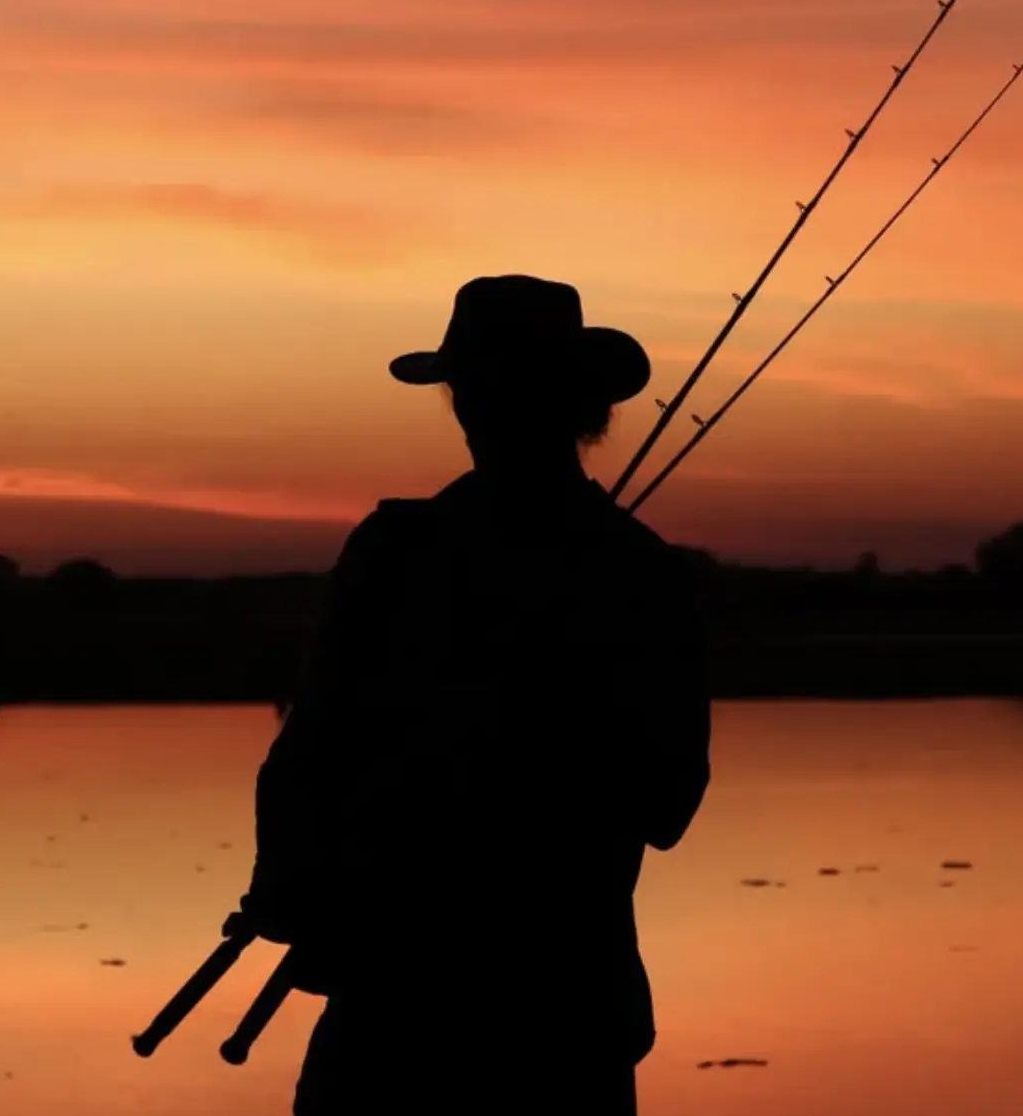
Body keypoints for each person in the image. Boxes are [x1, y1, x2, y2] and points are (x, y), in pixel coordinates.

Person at [238, 274, 713, 1115]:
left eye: (485, 387)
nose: (478, 408)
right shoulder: (643, 573)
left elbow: (308, 755)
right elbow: (667, 802)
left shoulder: (396, 552)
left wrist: (293, 880)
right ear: (589, 407)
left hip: (423, 1016)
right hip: (553, 1020)